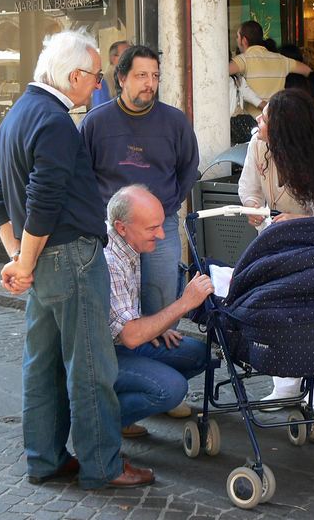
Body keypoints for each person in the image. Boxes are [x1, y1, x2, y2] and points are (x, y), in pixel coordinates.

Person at [0, 29, 153, 490]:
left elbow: (0, 197)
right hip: (71, 256)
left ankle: (44, 459)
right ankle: (103, 466)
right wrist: (23, 263)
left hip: (44, 259)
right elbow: (42, 200)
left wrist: (21, 260)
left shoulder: (16, 116)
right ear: (75, 75)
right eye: (97, 75)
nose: (98, 84)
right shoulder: (56, 122)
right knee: (90, 367)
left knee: (40, 365)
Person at [238, 88, 314, 419]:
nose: (259, 119)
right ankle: (285, 385)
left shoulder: (312, 162)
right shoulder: (257, 145)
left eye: (267, 117)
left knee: (311, 316)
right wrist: (253, 210)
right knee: (276, 314)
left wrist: (297, 220)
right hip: (275, 245)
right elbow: (248, 190)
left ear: (285, 127)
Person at [80, 45, 200, 320]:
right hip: (111, 230)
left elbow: (188, 168)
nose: (150, 83)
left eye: (155, 76)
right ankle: (123, 358)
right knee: (112, 304)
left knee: (162, 298)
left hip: (161, 227)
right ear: (122, 78)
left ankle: (161, 356)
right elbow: (82, 175)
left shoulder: (175, 122)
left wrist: (166, 204)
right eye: (141, 75)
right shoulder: (95, 122)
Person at [105, 185, 214, 438]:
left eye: (161, 225)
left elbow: (125, 317)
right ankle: (102, 421)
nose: (162, 235)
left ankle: (130, 401)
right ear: (122, 227)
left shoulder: (128, 244)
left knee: (199, 354)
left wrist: (154, 326)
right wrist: (185, 303)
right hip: (103, 356)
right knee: (172, 388)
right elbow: (131, 336)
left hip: (121, 341)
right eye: (152, 228)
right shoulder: (110, 259)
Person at [229, 20, 311, 116]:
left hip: (254, 122)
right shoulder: (282, 59)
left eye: (237, 37)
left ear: (244, 40)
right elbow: (307, 70)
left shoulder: (243, 60)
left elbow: (220, 73)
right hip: (276, 118)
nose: (237, 41)